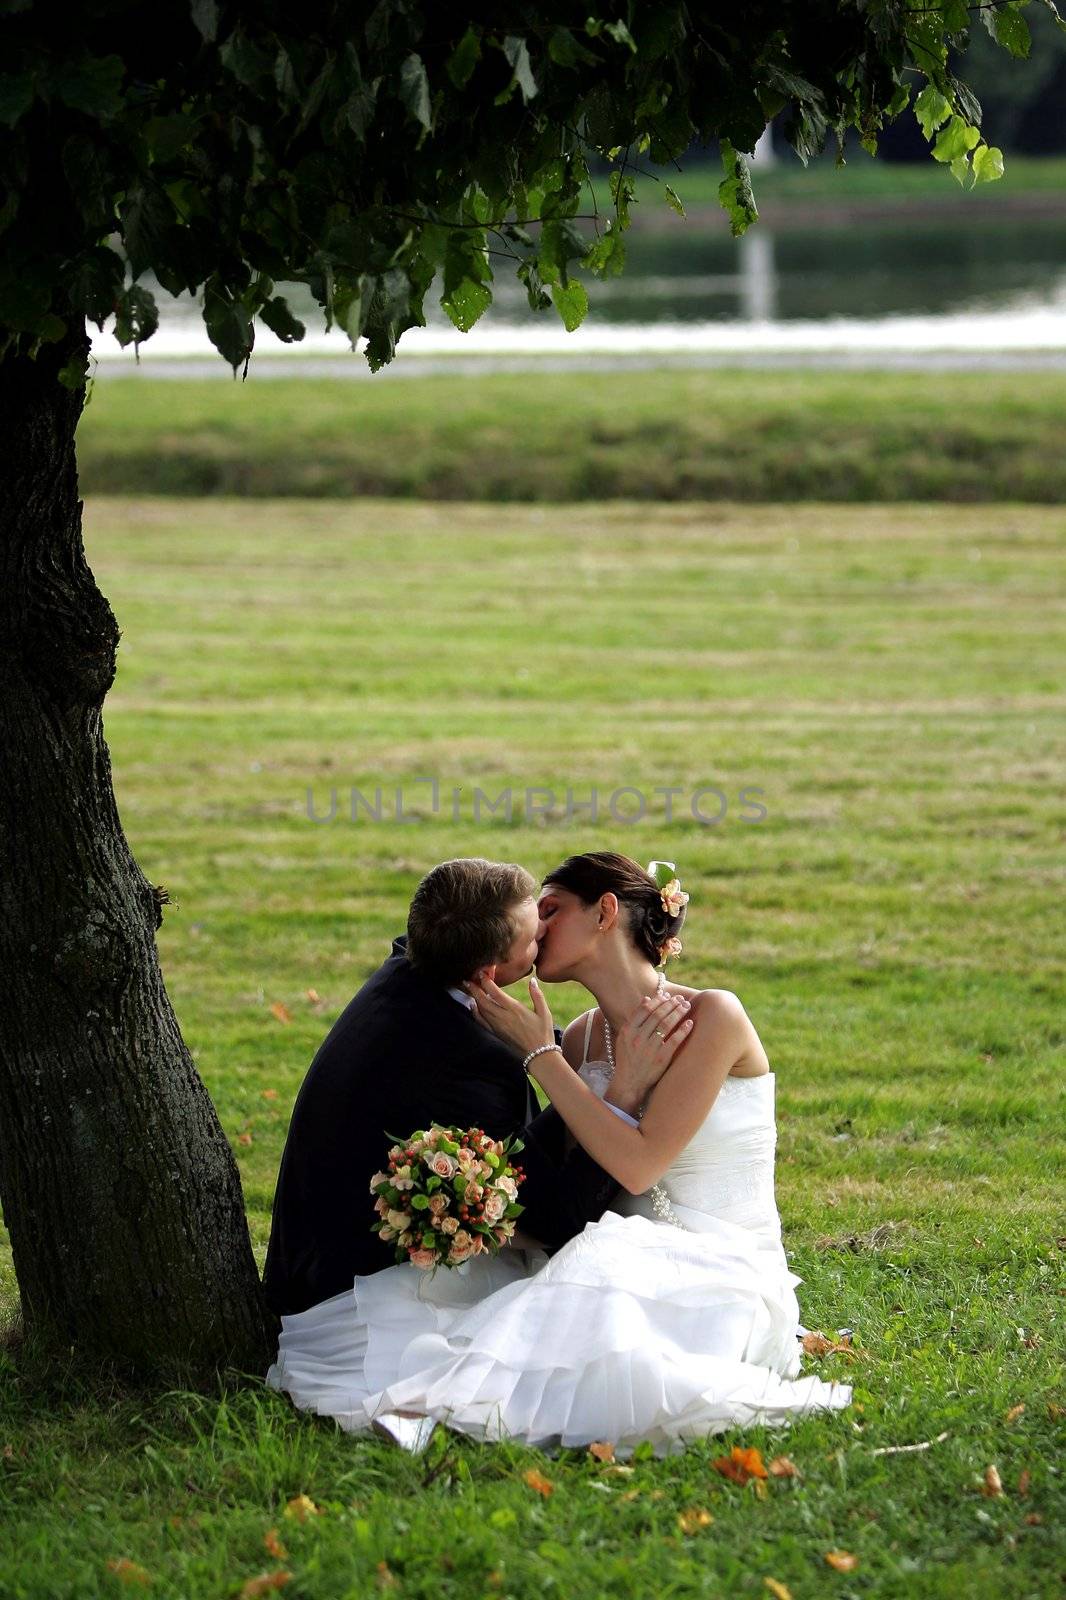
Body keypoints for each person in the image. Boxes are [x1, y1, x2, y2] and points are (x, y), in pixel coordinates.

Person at [267, 852, 851, 1455]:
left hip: (717, 1263)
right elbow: (547, 1171)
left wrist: (538, 1056)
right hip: (608, 1244)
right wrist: (555, 1061)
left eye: (550, 910)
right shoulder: (580, 1035)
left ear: (605, 913)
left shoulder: (710, 1017)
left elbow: (638, 1165)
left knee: (597, 1310)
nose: (538, 929)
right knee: (490, 1310)